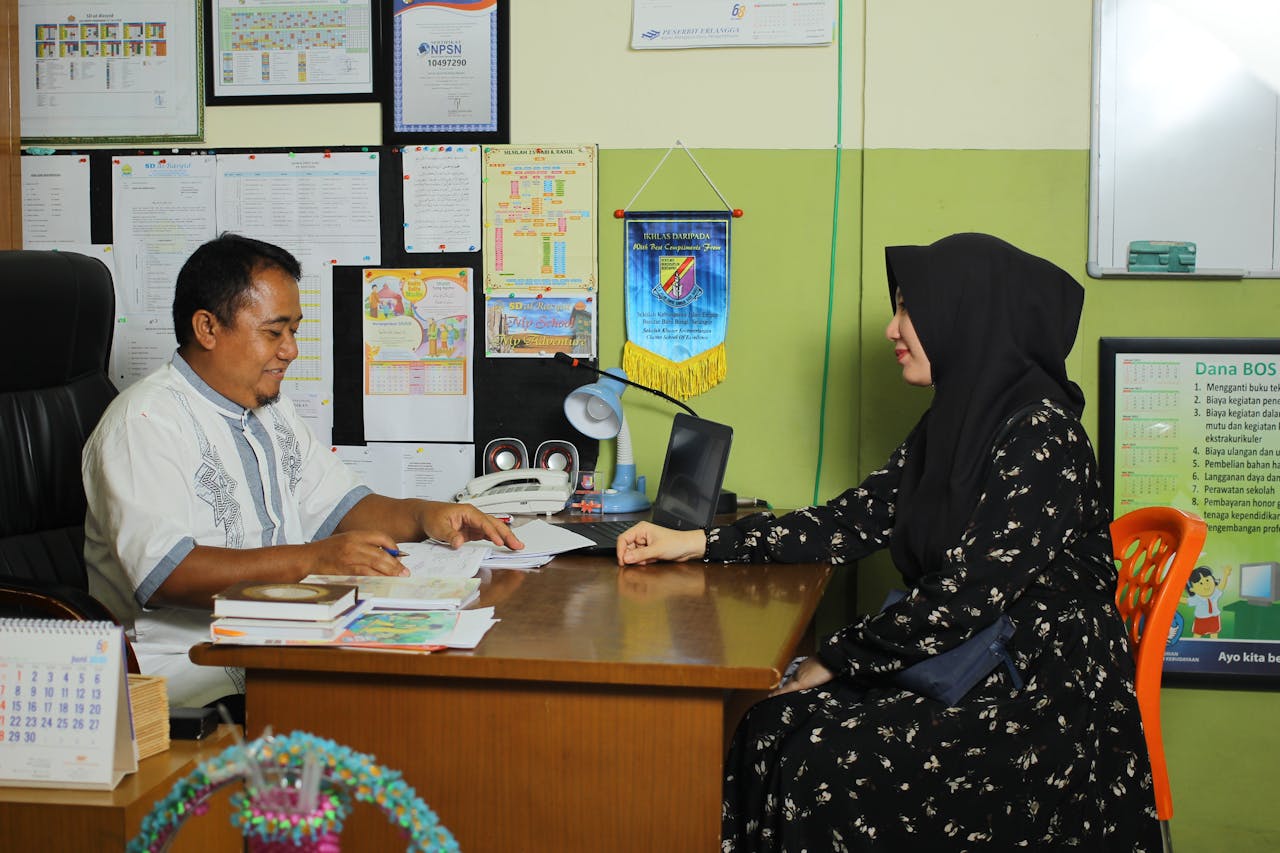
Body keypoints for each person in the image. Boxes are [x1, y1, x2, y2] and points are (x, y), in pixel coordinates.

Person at [617, 233, 1161, 850]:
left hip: (1034, 695)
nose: (891, 328)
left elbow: (964, 598)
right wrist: (701, 543)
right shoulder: (955, 419)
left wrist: (835, 658)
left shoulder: (1042, 434)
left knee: (813, 758)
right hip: (965, 656)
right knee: (766, 725)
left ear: (967, 317)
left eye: (909, 309)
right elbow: (851, 521)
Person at [83, 233, 522, 711]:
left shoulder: (268, 409)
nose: (290, 350)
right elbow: (167, 575)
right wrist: (314, 561)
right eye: (274, 332)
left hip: (281, 646)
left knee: (444, 682)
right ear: (207, 328)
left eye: (294, 330)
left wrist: (425, 515)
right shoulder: (142, 424)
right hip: (187, 673)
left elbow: (342, 507)